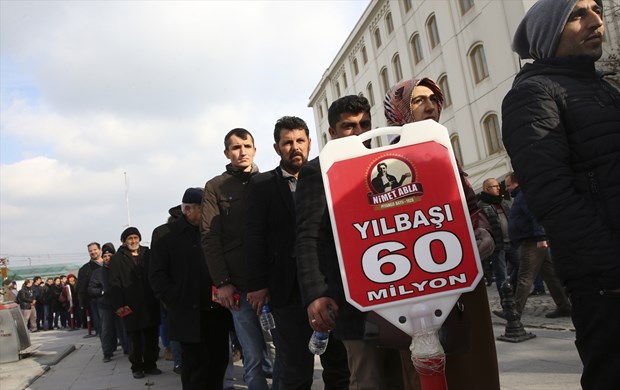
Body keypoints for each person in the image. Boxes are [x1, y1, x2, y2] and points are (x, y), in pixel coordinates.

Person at [502, 1, 620, 388]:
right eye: (577, 14)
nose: (596, 20)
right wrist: (610, 266)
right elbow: (552, 194)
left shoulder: (604, 87)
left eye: (597, 9)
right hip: (605, 281)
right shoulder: (533, 94)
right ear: (547, 34)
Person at [383, 77, 499, 389]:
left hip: (464, 276)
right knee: (431, 371)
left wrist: (482, 231)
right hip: (421, 288)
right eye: (418, 100)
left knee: (475, 367)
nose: (430, 105)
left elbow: (467, 205)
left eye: (433, 98)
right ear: (399, 110)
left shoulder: (443, 150)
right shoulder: (389, 164)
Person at [296, 95, 408, 388]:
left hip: (399, 292)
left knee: (404, 379)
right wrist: (316, 294)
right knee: (368, 380)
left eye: (364, 124)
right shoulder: (317, 171)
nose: (359, 132)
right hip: (351, 300)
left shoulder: (389, 162)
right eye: (349, 126)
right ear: (332, 132)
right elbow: (308, 237)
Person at [245, 116, 350, 389]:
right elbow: (254, 238)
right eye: (287, 142)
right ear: (277, 148)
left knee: (339, 363)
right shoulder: (261, 186)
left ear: (310, 142)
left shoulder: (332, 175)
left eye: (300, 141)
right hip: (287, 290)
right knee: (295, 367)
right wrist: (257, 285)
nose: (295, 147)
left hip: (331, 284)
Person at [201, 128, 273, 390]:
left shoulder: (269, 181)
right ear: (226, 153)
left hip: (274, 281)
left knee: (283, 352)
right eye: (235, 147)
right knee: (252, 356)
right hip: (238, 287)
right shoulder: (215, 187)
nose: (242, 151)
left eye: (247, 145)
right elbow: (210, 238)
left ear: (255, 149)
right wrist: (222, 283)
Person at [151, 187, 232, 389]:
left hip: (217, 311)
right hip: (187, 313)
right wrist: (175, 299)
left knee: (218, 364)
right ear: (188, 210)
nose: (208, 213)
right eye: (203, 208)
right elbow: (157, 276)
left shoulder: (214, 231)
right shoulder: (164, 235)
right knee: (195, 369)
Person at [503, 172, 571, 319]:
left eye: (508, 185)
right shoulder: (520, 196)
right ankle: (564, 306)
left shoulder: (523, 196)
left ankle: (514, 311)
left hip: (532, 241)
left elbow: (535, 216)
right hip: (532, 240)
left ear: (517, 183)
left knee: (525, 277)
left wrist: (541, 236)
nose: (507, 189)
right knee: (550, 275)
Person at [109, 227, 161, 379]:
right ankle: (137, 367)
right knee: (134, 338)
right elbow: (114, 284)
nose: (133, 241)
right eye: (130, 238)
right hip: (129, 305)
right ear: (124, 241)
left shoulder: (148, 254)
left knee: (152, 335)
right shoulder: (117, 259)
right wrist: (119, 305)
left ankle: (151, 364)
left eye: (135, 238)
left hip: (150, 302)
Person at [150, 205, 184, 374]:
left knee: (176, 328)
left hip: (175, 294)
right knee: (175, 329)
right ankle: (179, 361)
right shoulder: (164, 235)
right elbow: (157, 271)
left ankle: (179, 362)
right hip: (173, 295)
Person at [477, 178, 519, 303]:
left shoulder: (503, 202)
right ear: (487, 189)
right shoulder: (480, 206)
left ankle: (511, 290)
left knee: (521, 267)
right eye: (495, 186)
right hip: (497, 246)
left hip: (510, 242)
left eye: (498, 186)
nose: (498, 188)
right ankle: (506, 301)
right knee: (501, 275)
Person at [89, 242, 128, 362]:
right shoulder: (97, 273)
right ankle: (107, 352)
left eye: (110, 256)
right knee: (106, 329)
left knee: (125, 328)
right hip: (105, 306)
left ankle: (128, 348)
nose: (107, 258)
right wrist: (102, 292)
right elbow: (91, 289)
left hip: (121, 304)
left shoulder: (121, 268)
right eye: (105, 256)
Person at [77, 242, 103, 334]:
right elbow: (81, 288)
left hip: (111, 298)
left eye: (95, 250)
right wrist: (83, 303)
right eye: (90, 251)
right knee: (101, 325)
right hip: (95, 301)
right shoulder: (84, 269)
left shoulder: (109, 263)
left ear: (100, 250)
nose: (93, 252)